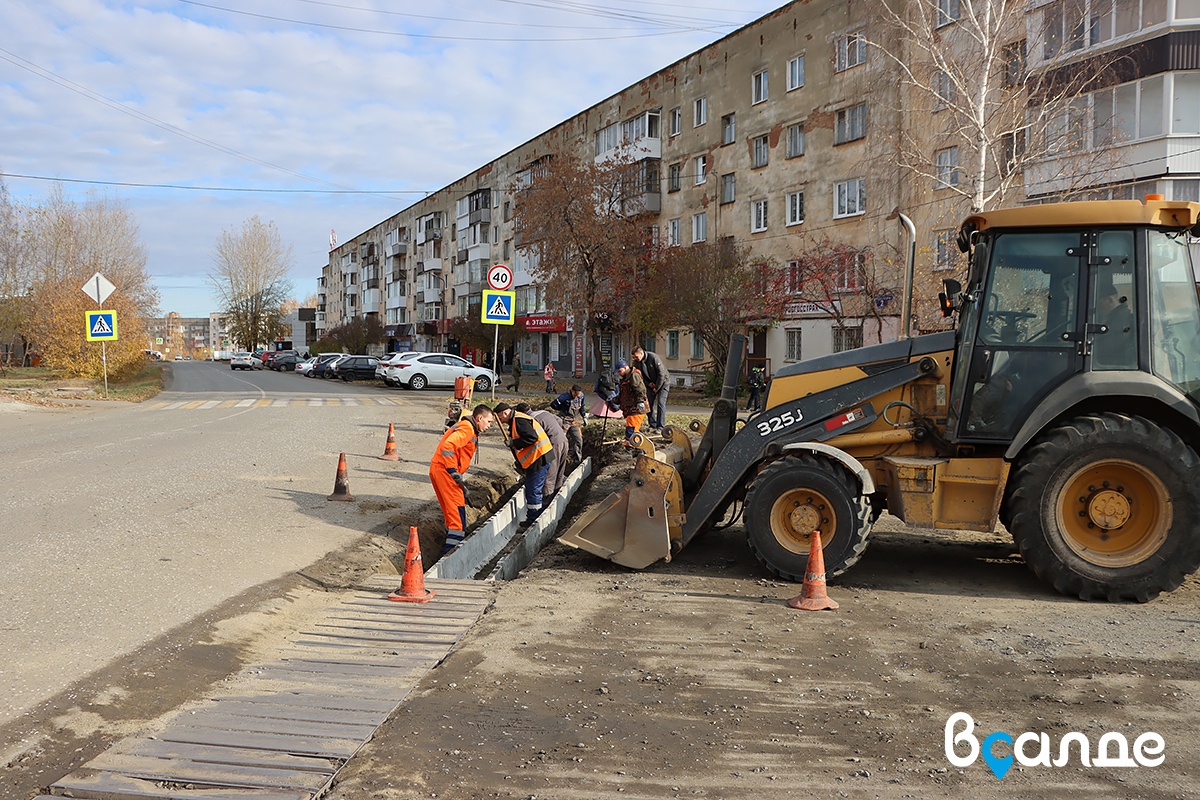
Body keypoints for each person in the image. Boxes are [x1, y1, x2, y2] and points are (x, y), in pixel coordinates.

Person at [429, 404, 494, 554]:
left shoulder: (467, 427)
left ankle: (450, 548)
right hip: (446, 472)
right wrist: (452, 470)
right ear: (479, 418)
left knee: (451, 513)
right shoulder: (467, 429)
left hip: (440, 470)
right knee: (457, 518)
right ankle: (451, 554)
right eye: (489, 422)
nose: (490, 426)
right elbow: (448, 446)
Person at [493, 402, 553, 525]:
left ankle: (533, 520)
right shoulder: (517, 420)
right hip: (539, 458)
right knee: (532, 489)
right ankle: (534, 517)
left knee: (533, 490)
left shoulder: (519, 420)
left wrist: (514, 443)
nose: (501, 420)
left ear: (505, 413)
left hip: (539, 458)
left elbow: (532, 438)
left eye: (500, 417)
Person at [519, 404, 570, 499]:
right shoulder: (544, 412)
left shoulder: (530, 420)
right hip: (563, 440)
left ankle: (547, 501)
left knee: (550, 476)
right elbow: (559, 420)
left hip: (553, 444)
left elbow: (533, 438)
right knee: (560, 471)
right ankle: (557, 497)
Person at [1093, 279, 1136, 368]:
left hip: (1114, 368)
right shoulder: (1114, 319)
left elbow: (1106, 347)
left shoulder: (1121, 322)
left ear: (1110, 300)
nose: (1097, 309)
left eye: (1099, 304)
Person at [631, 345, 670, 431]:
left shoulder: (653, 357)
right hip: (650, 383)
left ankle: (660, 427)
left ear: (641, 353)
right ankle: (652, 424)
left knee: (660, 403)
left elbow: (661, 374)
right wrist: (648, 384)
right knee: (648, 404)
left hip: (663, 383)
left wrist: (656, 387)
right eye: (633, 357)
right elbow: (639, 376)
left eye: (636, 357)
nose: (635, 359)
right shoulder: (637, 362)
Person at [550, 383, 588, 464]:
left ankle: (577, 460)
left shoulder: (581, 397)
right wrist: (562, 408)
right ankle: (558, 460)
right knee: (561, 441)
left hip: (573, 421)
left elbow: (582, 407)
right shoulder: (565, 397)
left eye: (578, 395)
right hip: (564, 420)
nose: (576, 396)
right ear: (572, 391)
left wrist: (584, 416)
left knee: (578, 439)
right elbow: (553, 404)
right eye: (575, 394)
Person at [615, 359, 648, 441]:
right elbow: (624, 394)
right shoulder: (626, 378)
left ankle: (631, 448)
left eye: (620, 371)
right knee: (631, 429)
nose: (619, 373)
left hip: (636, 408)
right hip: (631, 408)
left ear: (625, 367)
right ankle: (634, 447)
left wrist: (640, 401)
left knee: (631, 430)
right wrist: (615, 400)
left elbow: (640, 389)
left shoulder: (634, 375)